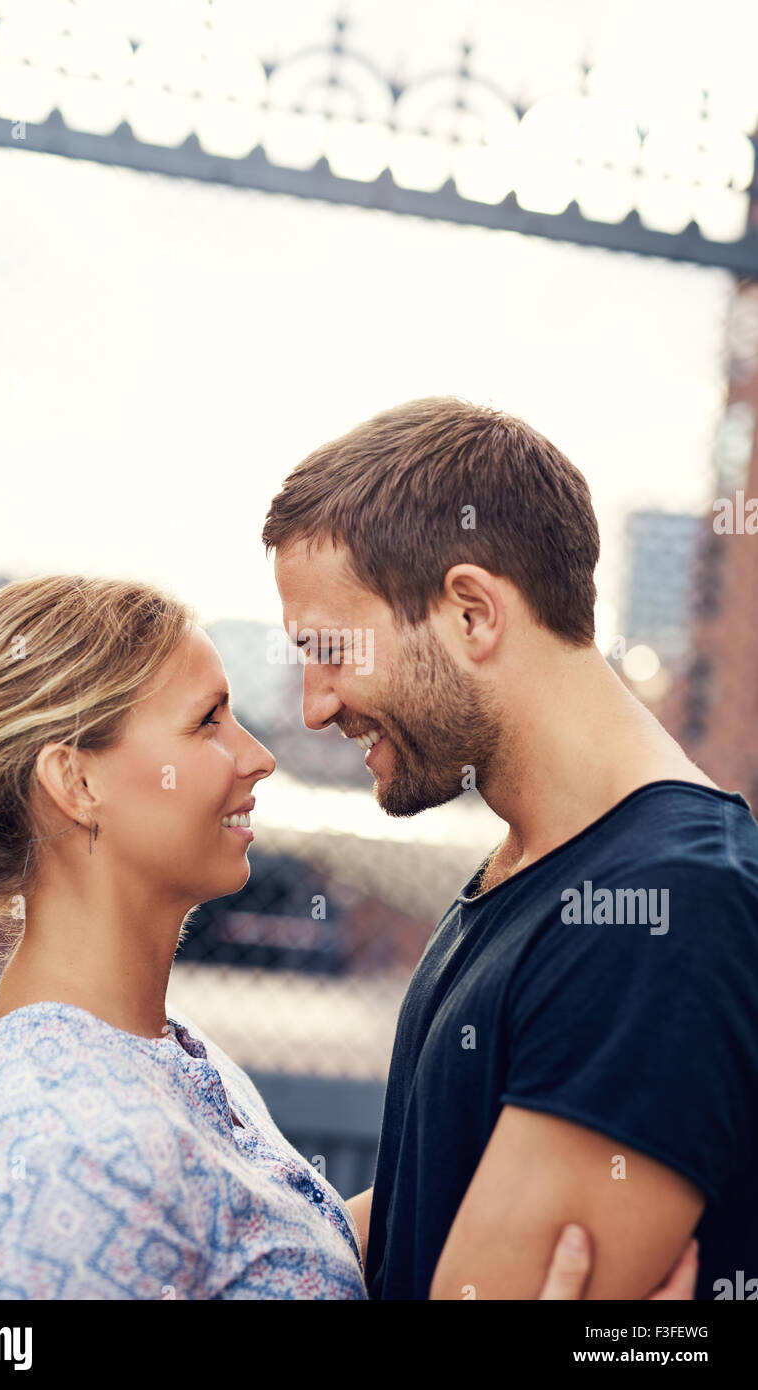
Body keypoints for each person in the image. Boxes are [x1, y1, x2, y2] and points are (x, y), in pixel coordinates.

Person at [0, 574, 696, 1300]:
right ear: (76, 781)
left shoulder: (155, 1052)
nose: (261, 756)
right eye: (206, 723)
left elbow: (271, 1251)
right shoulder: (72, 1154)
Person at [263, 395, 758, 1301]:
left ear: (470, 613)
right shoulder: (524, 871)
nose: (313, 705)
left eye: (330, 649)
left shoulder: (665, 906)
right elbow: (428, 1210)